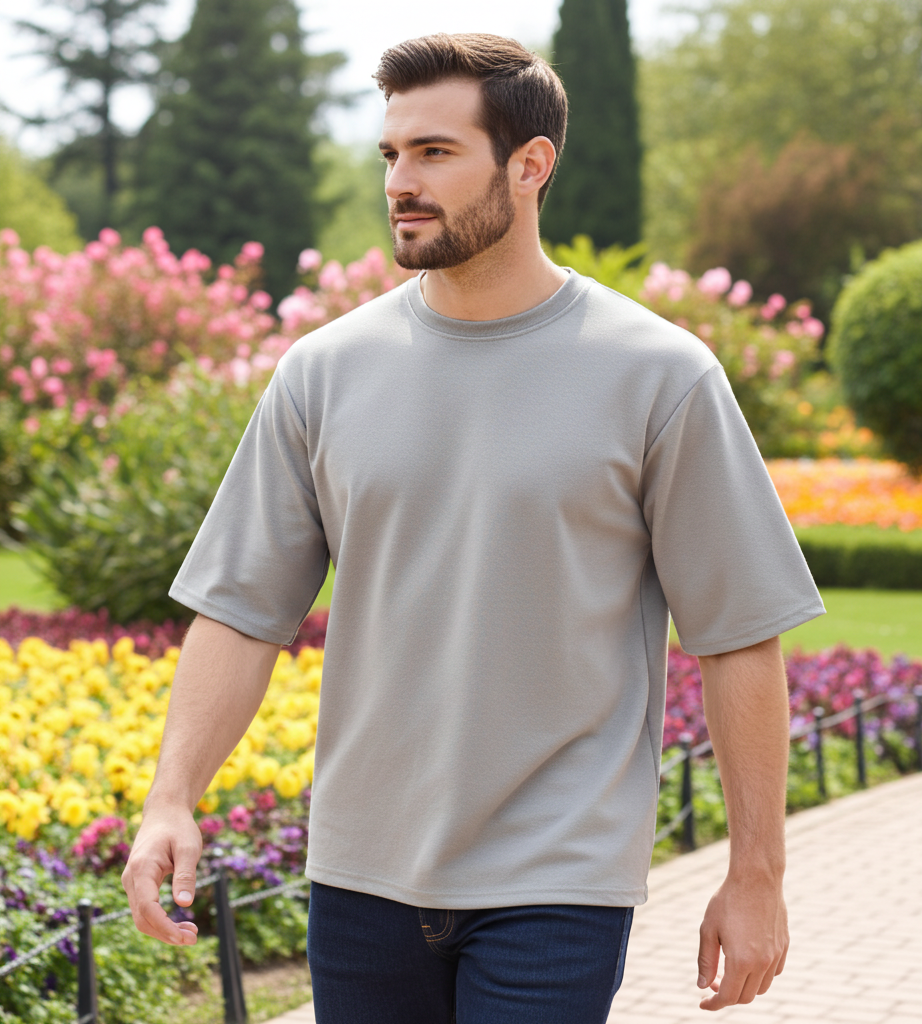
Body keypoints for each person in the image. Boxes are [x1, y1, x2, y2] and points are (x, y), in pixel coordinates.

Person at [121, 32, 825, 1023]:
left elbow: (739, 633)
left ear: (528, 165)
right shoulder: (323, 372)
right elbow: (242, 610)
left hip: (556, 878)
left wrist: (757, 873)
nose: (401, 181)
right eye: (391, 155)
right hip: (361, 876)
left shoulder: (657, 375)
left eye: (435, 153)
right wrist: (170, 799)